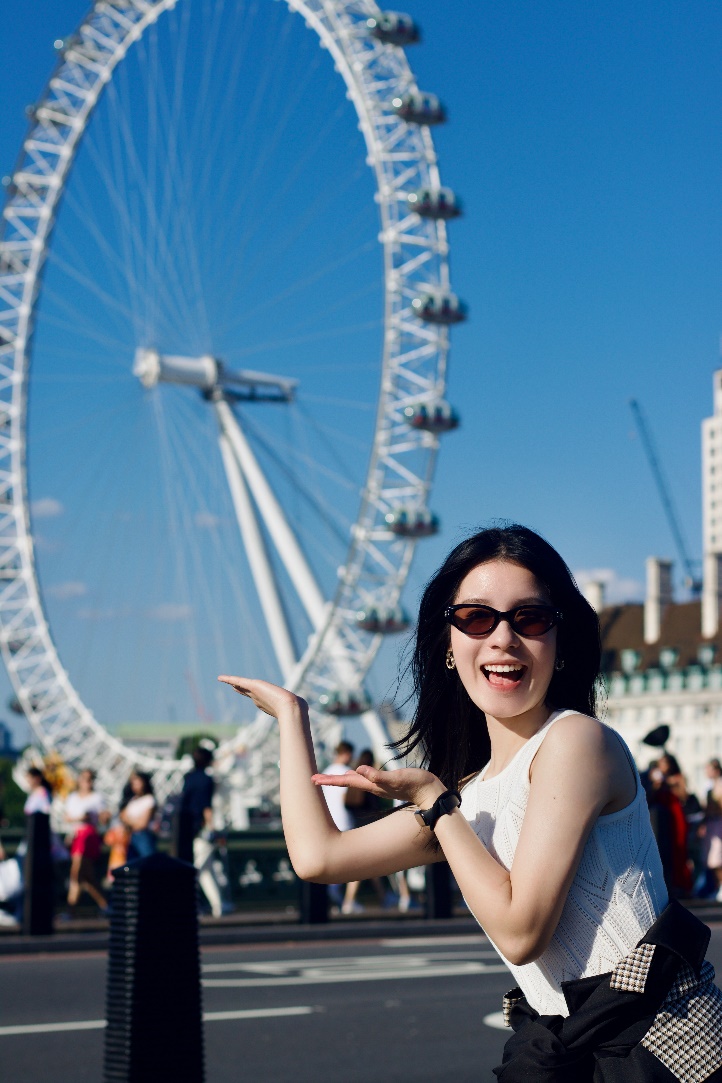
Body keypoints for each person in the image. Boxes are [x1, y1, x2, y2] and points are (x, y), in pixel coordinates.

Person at [220, 524, 722, 1081]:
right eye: (477, 618)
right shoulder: (472, 795)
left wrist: (435, 802)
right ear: (448, 646)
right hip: (572, 1054)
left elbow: (521, 931)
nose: (503, 638)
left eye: (530, 619)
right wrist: (293, 719)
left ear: (560, 642)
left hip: (657, 1050)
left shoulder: (575, 741)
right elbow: (319, 857)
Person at [179, 744, 223, 918]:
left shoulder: (188, 777)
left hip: (187, 827)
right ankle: (193, 905)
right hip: (201, 829)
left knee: (204, 871)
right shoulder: (207, 779)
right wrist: (212, 828)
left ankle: (217, 906)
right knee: (198, 869)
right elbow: (206, 806)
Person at [64, 769, 108, 913]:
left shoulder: (97, 798)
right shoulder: (72, 797)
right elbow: (67, 817)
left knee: (76, 873)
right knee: (86, 877)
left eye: (90, 779)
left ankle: (70, 909)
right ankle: (105, 905)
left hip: (88, 837)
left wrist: (104, 817)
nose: (87, 782)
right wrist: (80, 819)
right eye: (85, 778)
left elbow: (103, 817)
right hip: (77, 836)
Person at [119, 772, 157, 860]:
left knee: (146, 862)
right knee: (131, 863)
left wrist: (129, 821)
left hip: (143, 836)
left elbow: (142, 824)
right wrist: (134, 821)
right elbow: (122, 816)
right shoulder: (131, 800)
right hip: (130, 837)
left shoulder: (149, 799)